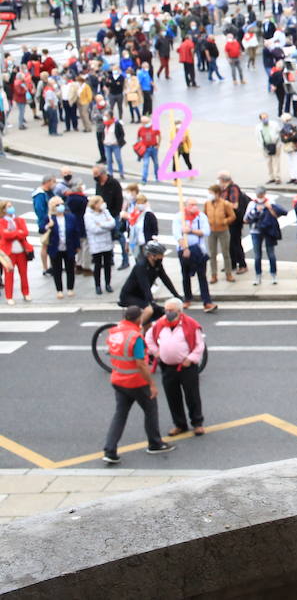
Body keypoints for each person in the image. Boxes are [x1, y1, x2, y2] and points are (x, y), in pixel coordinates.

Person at [101, 304, 176, 464]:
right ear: (138, 319)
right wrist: (152, 385)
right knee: (150, 410)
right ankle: (155, 443)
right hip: (135, 381)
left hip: (118, 380)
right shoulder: (135, 337)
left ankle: (110, 449)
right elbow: (141, 364)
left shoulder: (115, 332)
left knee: (120, 415)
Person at [145, 297, 206, 437]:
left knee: (192, 396)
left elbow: (199, 345)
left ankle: (197, 423)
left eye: (170, 310)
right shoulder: (160, 324)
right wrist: (156, 352)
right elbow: (148, 338)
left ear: (179, 311)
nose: (167, 313)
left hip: (187, 367)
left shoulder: (190, 324)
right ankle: (180, 424)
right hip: (168, 367)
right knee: (173, 397)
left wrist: (190, 359)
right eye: (166, 310)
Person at [175, 199, 215, 311]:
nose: (194, 207)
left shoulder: (201, 217)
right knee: (185, 275)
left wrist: (191, 231)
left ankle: (207, 301)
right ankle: (187, 298)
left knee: (202, 275)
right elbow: (177, 235)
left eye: (195, 205)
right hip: (184, 249)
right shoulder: (179, 217)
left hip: (198, 249)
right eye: (191, 205)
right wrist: (185, 248)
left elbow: (206, 231)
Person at [245, 186, 287, 285]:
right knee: (257, 255)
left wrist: (269, 207)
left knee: (271, 254)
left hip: (268, 231)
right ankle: (258, 276)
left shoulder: (270, 202)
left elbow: (277, 215)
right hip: (256, 231)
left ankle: (273, 274)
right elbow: (245, 219)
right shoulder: (252, 204)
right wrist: (255, 212)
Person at [46, 198, 82, 298]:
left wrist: (77, 246)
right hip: (55, 247)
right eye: (58, 205)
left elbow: (76, 232)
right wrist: (48, 226)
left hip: (69, 247)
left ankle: (70, 288)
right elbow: (41, 229)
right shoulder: (50, 218)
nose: (61, 206)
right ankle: (59, 290)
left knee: (70, 268)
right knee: (57, 270)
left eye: (61, 204)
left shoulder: (70, 217)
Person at [0, 200, 33, 304]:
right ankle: (9, 296)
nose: (11, 208)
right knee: (9, 274)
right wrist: (18, 232)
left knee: (23, 274)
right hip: (8, 253)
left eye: (11, 206)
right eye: (8, 206)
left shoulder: (19, 220)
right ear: (3, 209)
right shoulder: (1, 222)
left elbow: (25, 233)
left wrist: (13, 233)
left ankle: (26, 293)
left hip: (21, 251)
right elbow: (5, 236)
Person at [86, 195, 118, 294]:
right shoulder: (88, 215)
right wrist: (105, 226)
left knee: (108, 265)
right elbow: (93, 229)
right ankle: (98, 285)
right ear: (95, 204)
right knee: (98, 265)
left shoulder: (105, 212)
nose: (103, 204)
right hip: (96, 244)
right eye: (100, 202)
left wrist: (101, 225)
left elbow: (112, 223)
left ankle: (108, 284)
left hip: (107, 242)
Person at [204, 185, 236, 283]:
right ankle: (214, 275)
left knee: (225, 253)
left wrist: (224, 221)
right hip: (212, 231)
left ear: (217, 193)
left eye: (211, 193)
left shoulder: (225, 204)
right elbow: (204, 215)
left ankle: (228, 273)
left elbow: (232, 216)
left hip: (223, 230)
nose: (209, 195)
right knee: (212, 254)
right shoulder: (207, 204)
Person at [257, 114, 282, 184]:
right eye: (263, 118)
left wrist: (278, 143)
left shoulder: (274, 124)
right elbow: (257, 138)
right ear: (261, 119)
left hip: (275, 145)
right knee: (268, 162)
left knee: (276, 161)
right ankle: (271, 177)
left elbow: (279, 133)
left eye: (266, 117)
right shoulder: (258, 127)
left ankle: (277, 178)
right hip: (266, 147)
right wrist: (261, 146)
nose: (265, 119)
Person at [135, 116, 160, 183]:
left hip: (153, 148)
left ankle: (157, 176)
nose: (145, 124)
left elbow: (159, 135)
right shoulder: (141, 129)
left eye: (146, 122)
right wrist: (139, 145)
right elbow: (138, 137)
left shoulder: (154, 128)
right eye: (143, 123)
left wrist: (158, 144)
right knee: (146, 164)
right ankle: (144, 178)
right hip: (145, 149)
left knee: (156, 163)